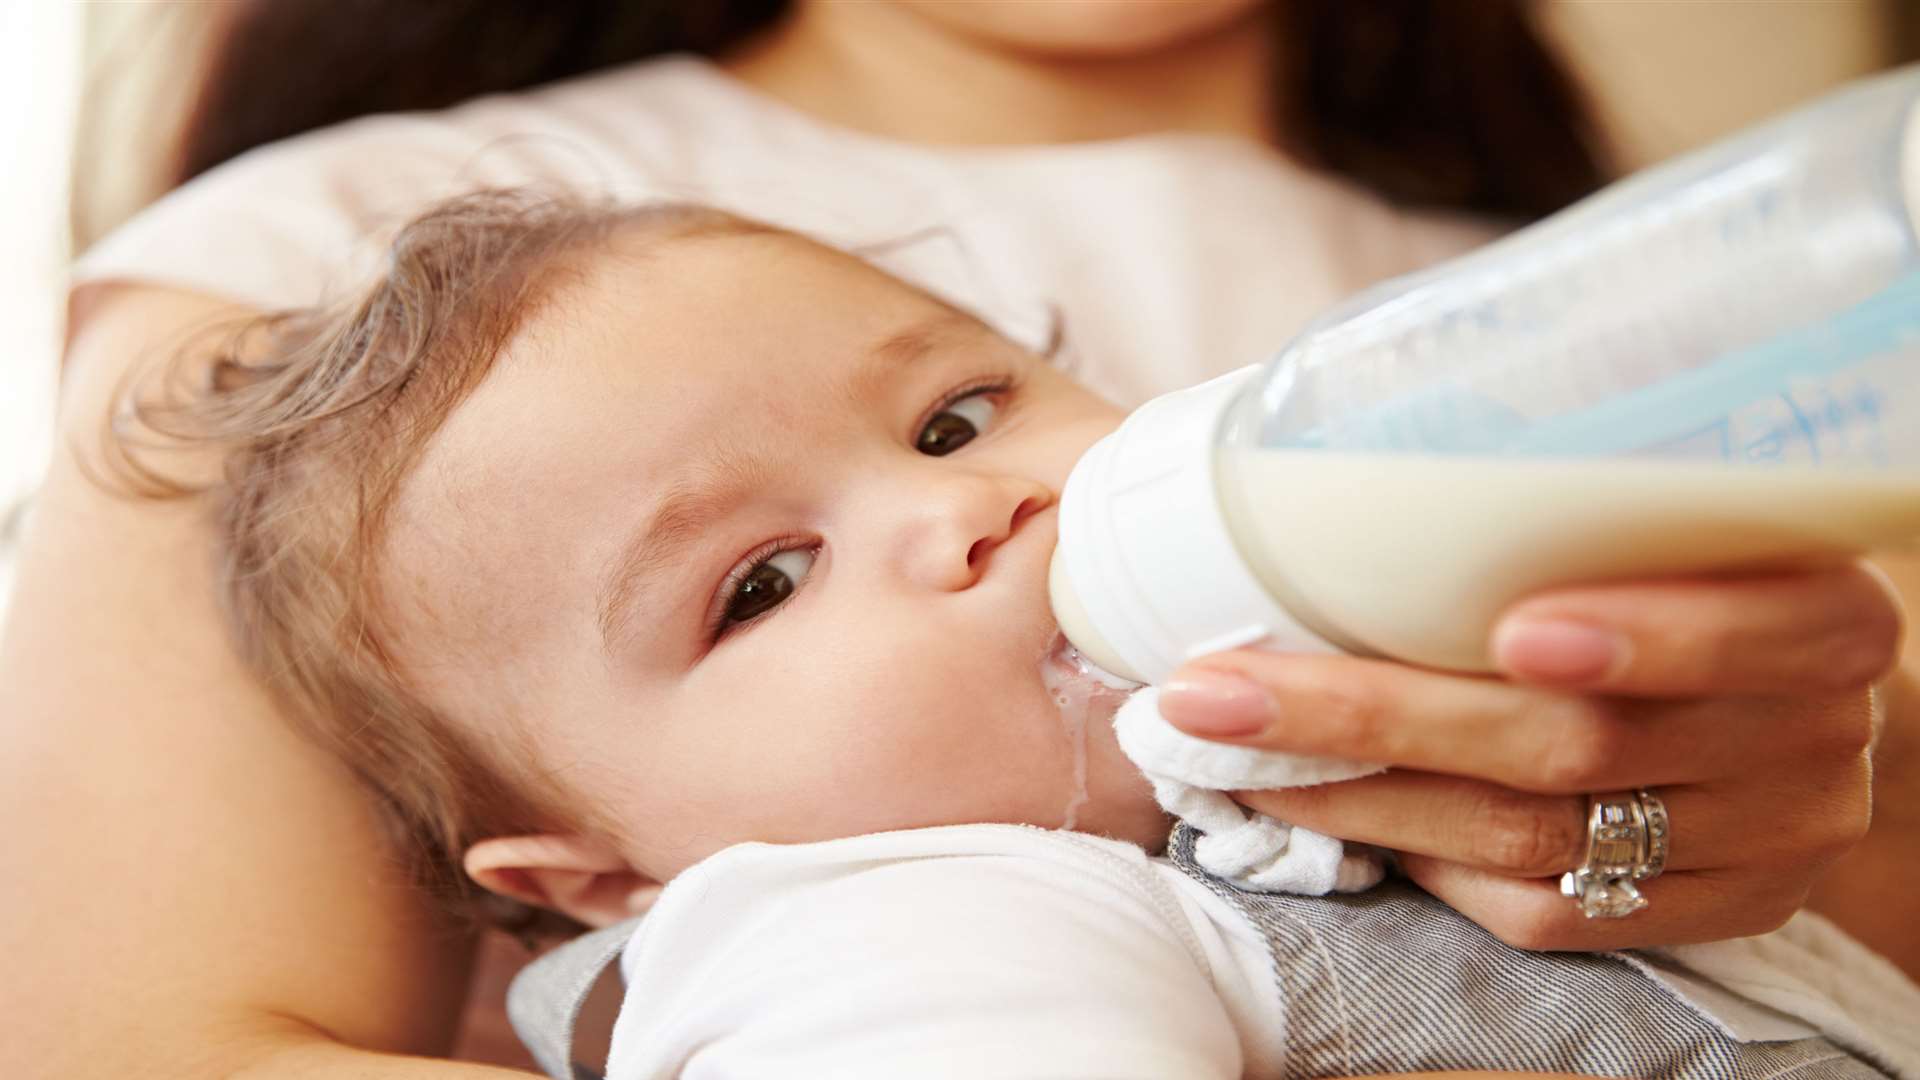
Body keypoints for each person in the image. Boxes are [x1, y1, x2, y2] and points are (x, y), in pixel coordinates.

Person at [5, 2, 1913, 1076]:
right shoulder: (321, 308)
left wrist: (1678, 837)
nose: (966, 506)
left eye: (963, 416)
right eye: (758, 586)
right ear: (584, 870)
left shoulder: (1609, 302)